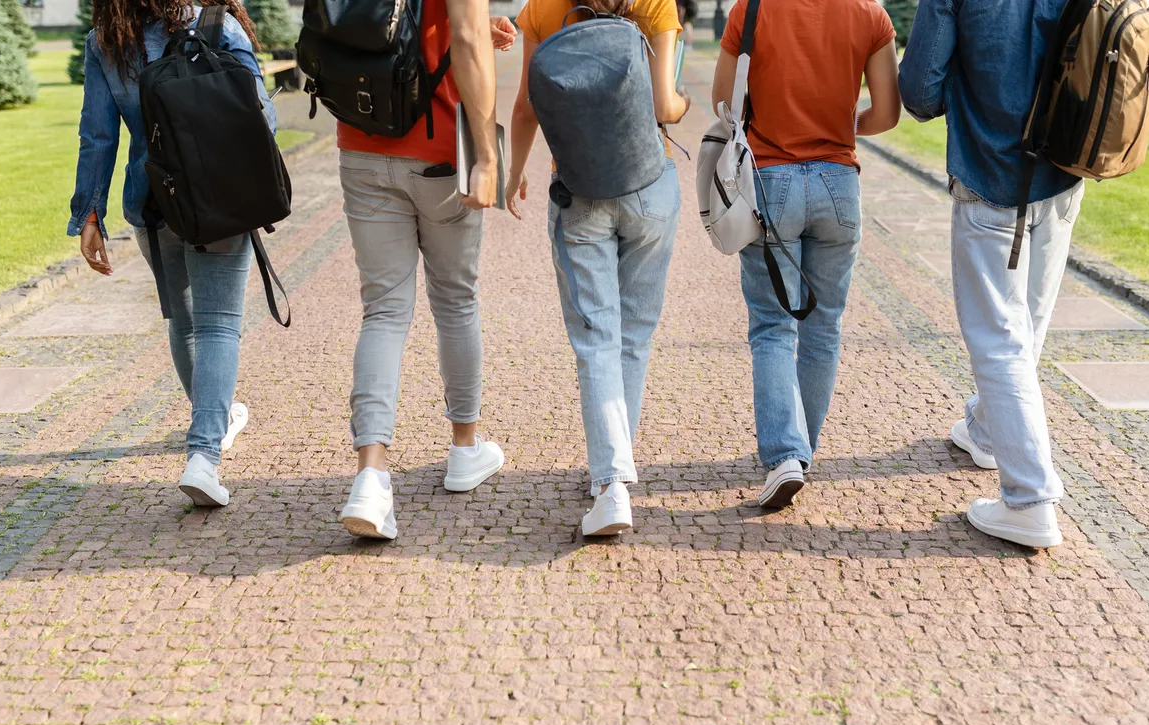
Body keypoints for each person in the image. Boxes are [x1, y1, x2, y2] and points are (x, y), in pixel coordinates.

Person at [898, 2, 1149, 549]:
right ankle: (986, 431)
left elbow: (920, 94)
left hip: (990, 172)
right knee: (1027, 323)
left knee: (998, 338)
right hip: (1064, 170)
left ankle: (1030, 499)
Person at [69, 0, 276, 509]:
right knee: (220, 326)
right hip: (221, 199)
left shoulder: (107, 41)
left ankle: (214, 421)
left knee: (184, 324)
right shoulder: (218, 24)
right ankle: (204, 454)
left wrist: (89, 215)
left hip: (153, 198)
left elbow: (97, 136)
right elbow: (262, 113)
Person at [506, 0, 689, 537]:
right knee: (634, 334)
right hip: (648, 184)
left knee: (596, 338)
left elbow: (526, 106)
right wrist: (682, 101)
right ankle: (614, 476)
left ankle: (610, 481)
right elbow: (663, 105)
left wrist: (516, 171)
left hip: (579, 191)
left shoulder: (542, 7)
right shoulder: (655, 4)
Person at [335, 1, 514, 541]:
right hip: (437, 147)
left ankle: (371, 475)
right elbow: (462, 37)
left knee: (384, 310)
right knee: (456, 300)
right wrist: (487, 157)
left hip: (360, 141)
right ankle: (465, 449)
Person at [711, 0, 899, 509]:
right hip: (840, 182)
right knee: (825, 326)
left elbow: (722, 102)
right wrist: (841, 128)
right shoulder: (871, 14)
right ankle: (801, 453)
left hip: (770, 180)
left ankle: (784, 457)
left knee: (773, 326)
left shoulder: (750, 10)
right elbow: (888, 112)